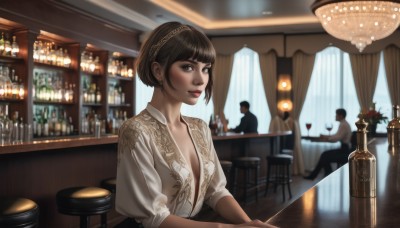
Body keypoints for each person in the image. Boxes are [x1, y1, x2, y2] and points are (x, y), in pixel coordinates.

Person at [116, 21, 274, 228]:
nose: (201, 79)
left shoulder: (200, 127)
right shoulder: (136, 130)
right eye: (188, 67)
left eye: (206, 69)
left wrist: (251, 224)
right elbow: (155, 217)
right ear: (158, 71)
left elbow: (216, 191)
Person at [304, 108, 352, 180]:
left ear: (341, 116)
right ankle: (325, 175)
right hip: (344, 149)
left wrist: (326, 138)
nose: (335, 116)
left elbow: (337, 138)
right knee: (324, 155)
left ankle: (325, 175)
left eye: (336, 115)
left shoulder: (344, 125)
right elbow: (336, 135)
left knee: (325, 156)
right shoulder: (343, 123)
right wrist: (325, 136)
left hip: (345, 152)